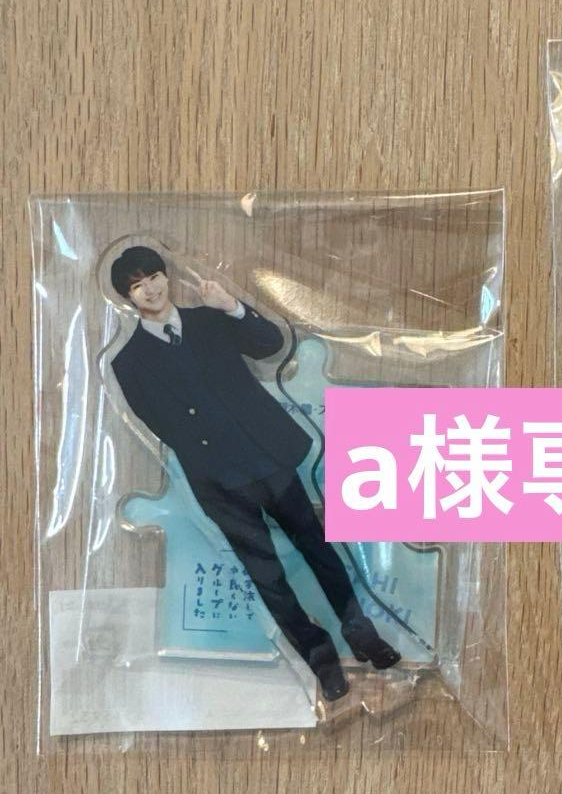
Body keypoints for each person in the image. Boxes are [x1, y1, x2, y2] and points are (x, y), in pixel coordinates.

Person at [108, 245, 400, 702]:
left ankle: (361, 632)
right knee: (267, 575)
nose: (150, 289)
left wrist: (232, 306)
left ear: (166, 276)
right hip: (217, 481)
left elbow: (270, 345)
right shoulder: (127, 362)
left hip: (267, 458)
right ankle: (320, 658)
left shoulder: (210, 319)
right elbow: (160, 423)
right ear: (128, 298)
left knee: (317, 546)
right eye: (137, 286)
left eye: (153, 277)